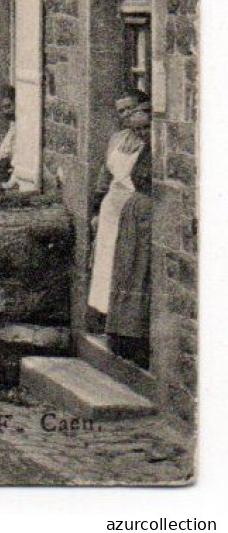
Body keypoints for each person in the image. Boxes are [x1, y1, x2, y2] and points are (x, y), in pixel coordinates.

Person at [90, 91, 153, 368]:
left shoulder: (148, 141)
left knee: (125, 264)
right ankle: (106, 316)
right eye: (120, 111)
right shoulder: (118, 139)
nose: (125, 115)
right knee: (105, 265)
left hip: (133, 208)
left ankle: (123, 323)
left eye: (129, 109)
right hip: (111, 207)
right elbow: (105, 173)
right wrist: (95, 207)